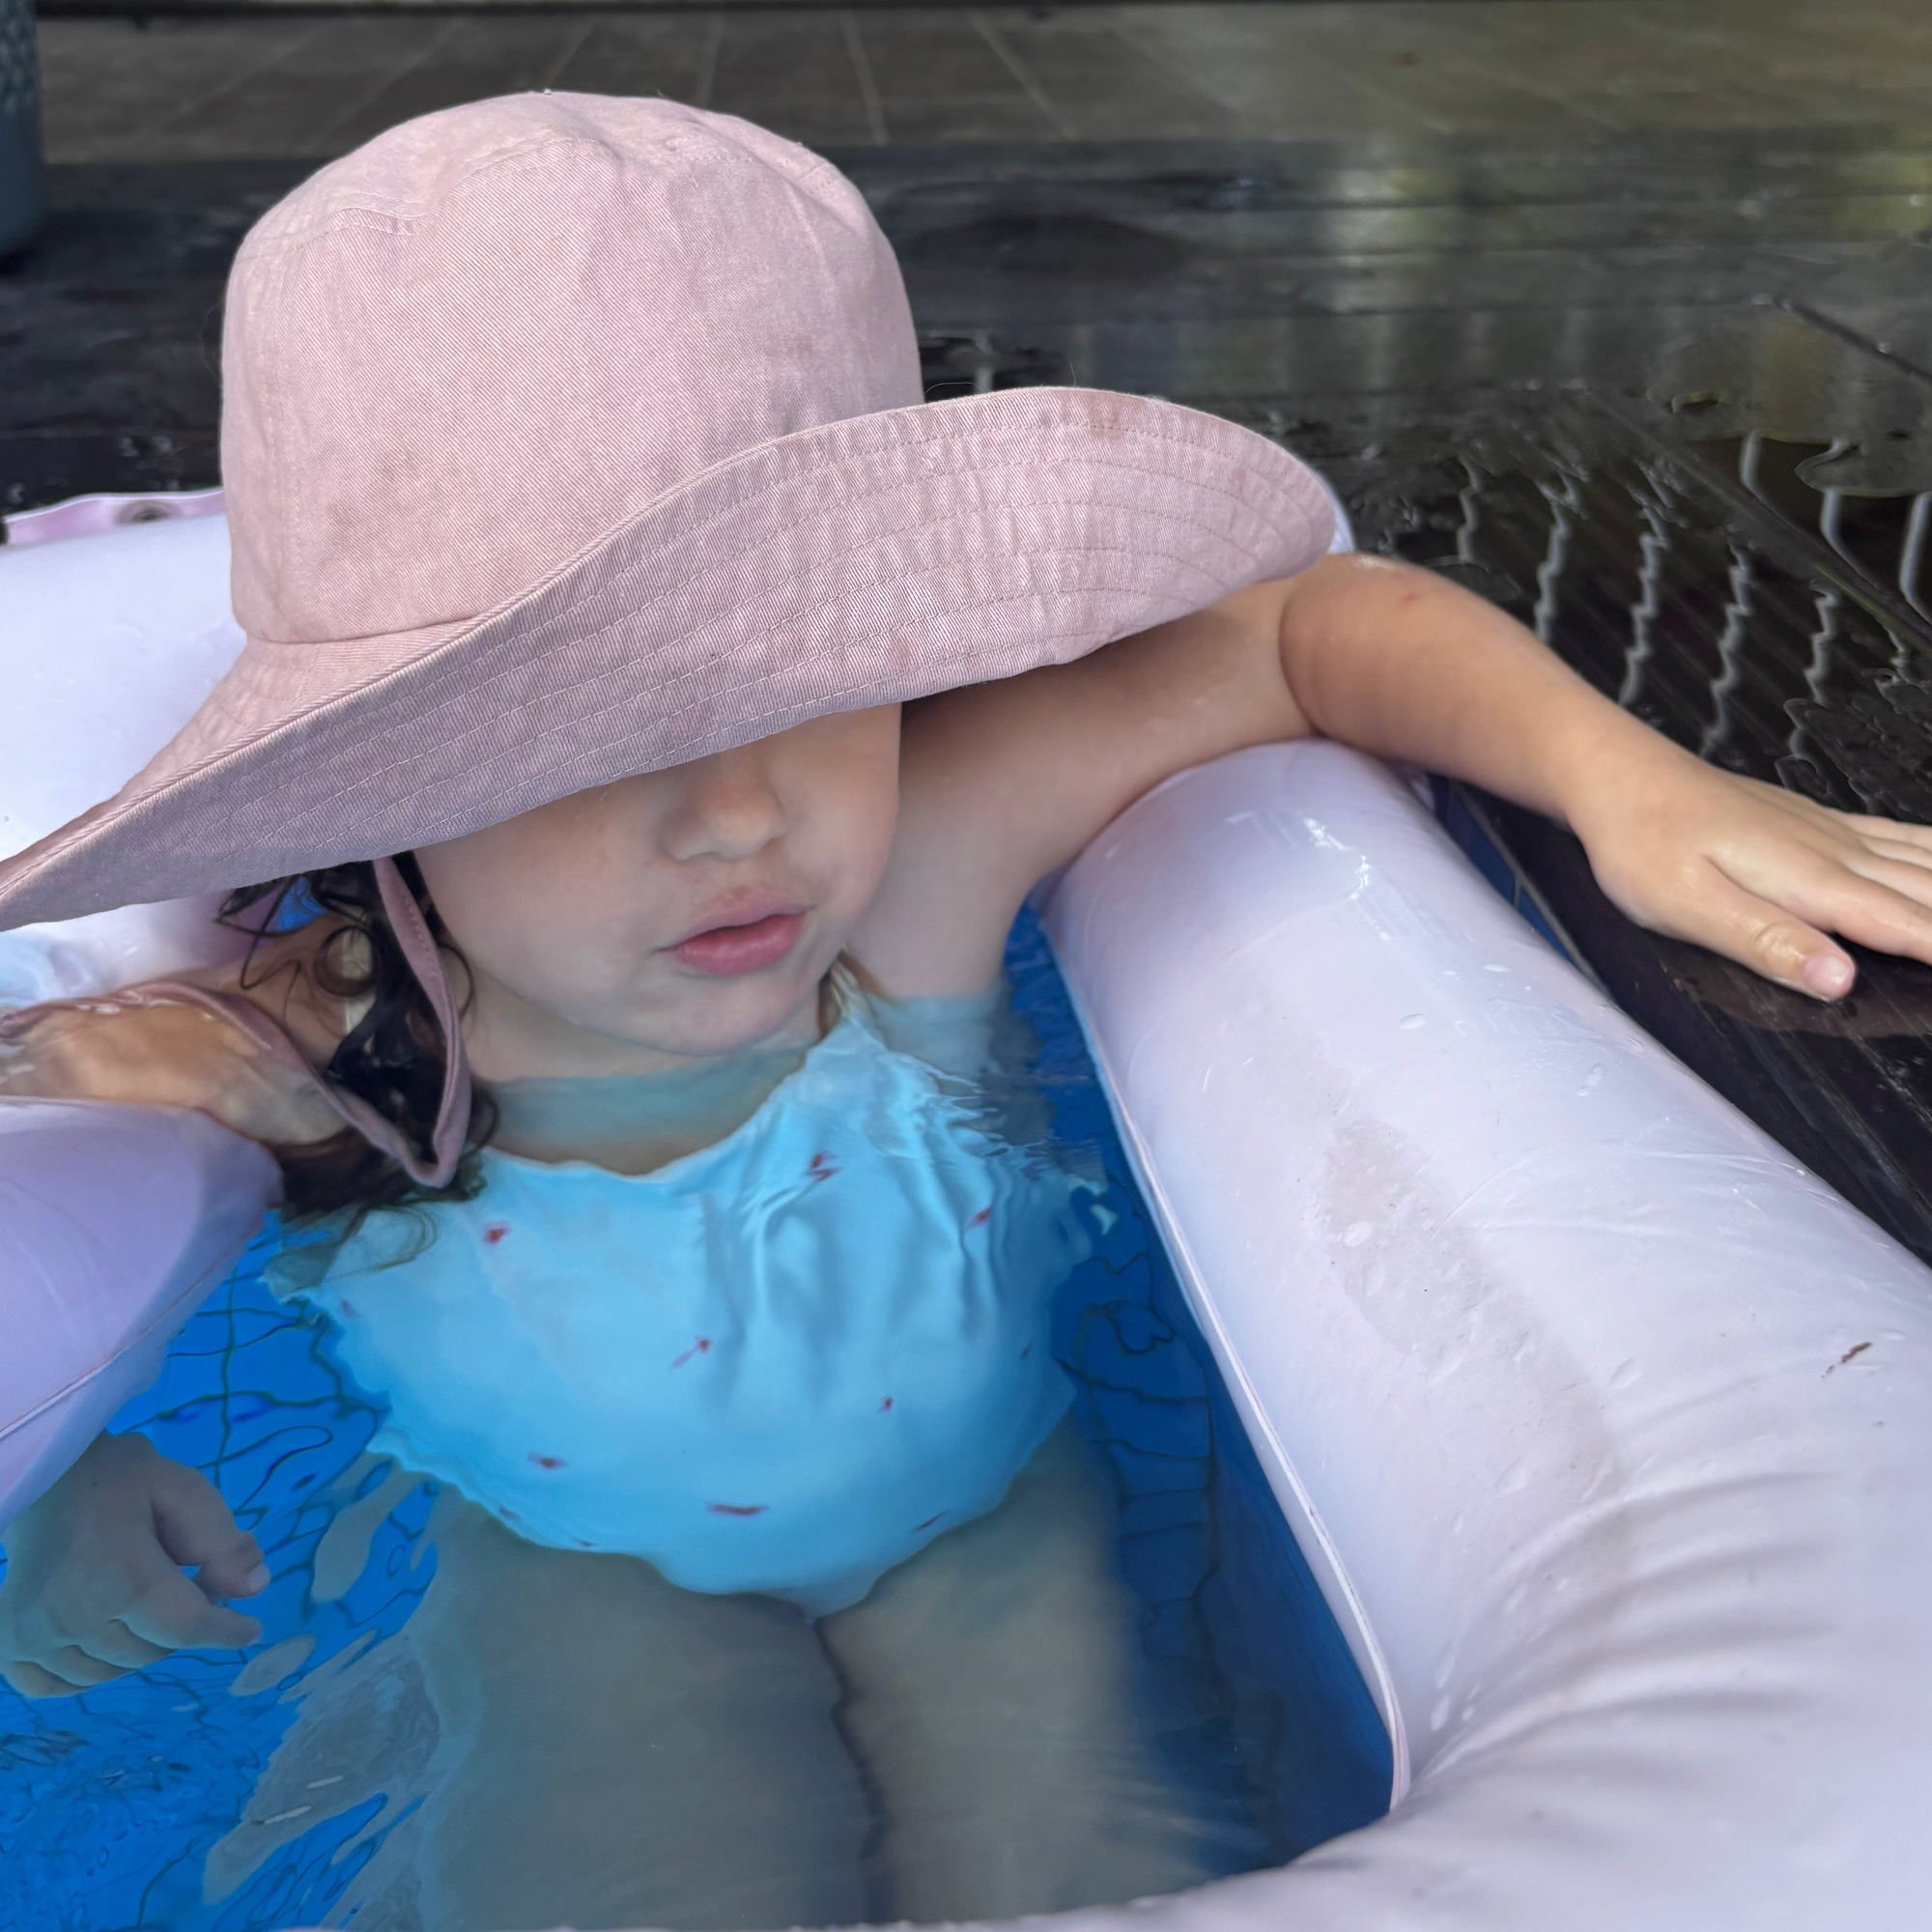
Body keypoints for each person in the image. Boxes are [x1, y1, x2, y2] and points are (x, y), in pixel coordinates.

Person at [3, 92, 1932, 1931]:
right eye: (595, 744)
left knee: (1072, 1855)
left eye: (810, 688)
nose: (743, 815)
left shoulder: (913, 883)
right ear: (380, 784)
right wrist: (52, 1488)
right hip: (573, 1568)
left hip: (985, 1532)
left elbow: (1304, 630)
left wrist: (1642, 788)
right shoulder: (287, 1046)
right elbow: (38, 1263)